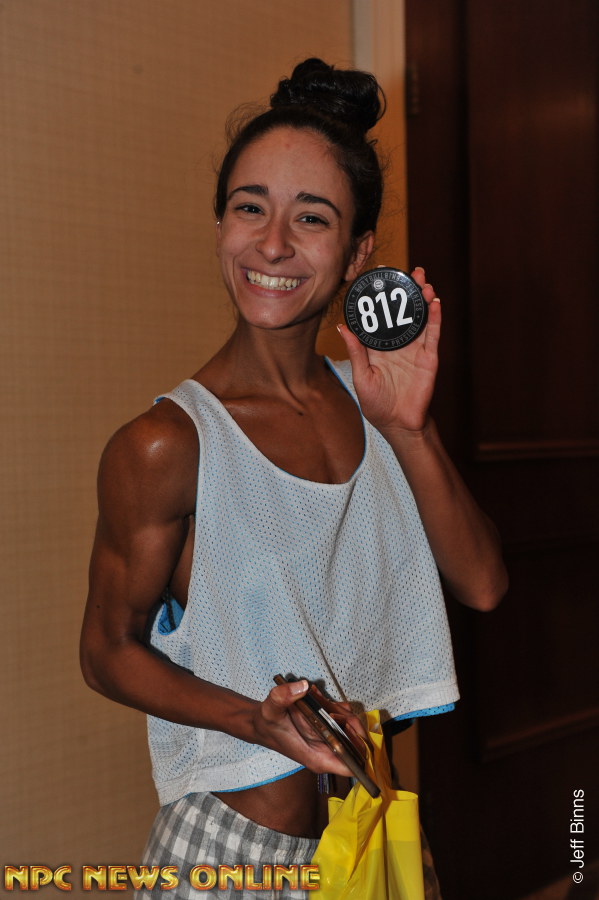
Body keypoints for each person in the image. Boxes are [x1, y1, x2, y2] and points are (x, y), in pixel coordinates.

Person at [80, 58, 507, 898]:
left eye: (310, 218)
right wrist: (255, 720)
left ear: (357, 252)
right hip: (231, 856)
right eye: (250, 208)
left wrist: (409, 430)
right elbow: (105, 651)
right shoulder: (167, 444)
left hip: (369, 840)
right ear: (219, 226)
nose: (272, 244)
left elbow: (483, 584)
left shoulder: (375, 405)